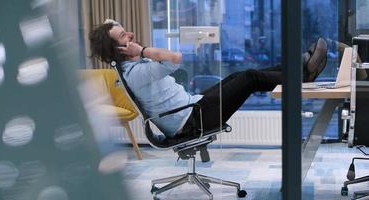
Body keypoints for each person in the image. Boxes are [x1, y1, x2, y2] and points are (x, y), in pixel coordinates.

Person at [88, 19, 328, 138]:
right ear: (119, 50)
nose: (129, 33)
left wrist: (137, 51)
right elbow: (174, 58)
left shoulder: (133, 67)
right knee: (250, 78)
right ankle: (303, 73)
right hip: (192, 121)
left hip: (193, 106)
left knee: (240, 75)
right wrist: (140, 50)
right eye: (123, 36)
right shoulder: (135, 72)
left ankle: (300, 68)